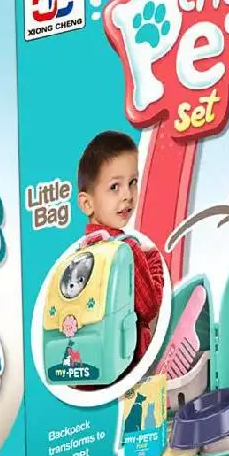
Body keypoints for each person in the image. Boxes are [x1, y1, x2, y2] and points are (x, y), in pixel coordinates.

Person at [77, 131, 164, 366]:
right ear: (87, 203)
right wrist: (153, 260)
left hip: (91, 360)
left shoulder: (80, 253)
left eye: (132, 182)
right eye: (114, 186)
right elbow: (149, 308)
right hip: (130, 361)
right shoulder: (126, 250)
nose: (127, 195)